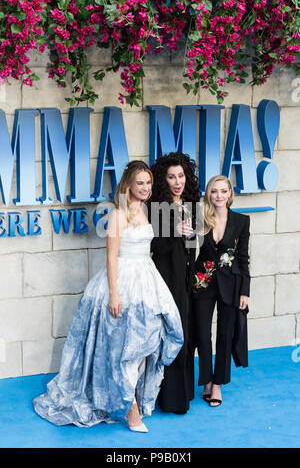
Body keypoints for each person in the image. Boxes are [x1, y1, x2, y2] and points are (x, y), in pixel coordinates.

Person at [32, 160, 184, 432]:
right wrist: (114, 295)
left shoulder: (146, 209)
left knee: (146, 342)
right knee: (123, 347)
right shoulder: (118, 214)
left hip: (145, 279)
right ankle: (132, 410)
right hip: (121, 280)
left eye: (148, 183)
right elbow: (111, 257)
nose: (146, 188)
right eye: (140, 183)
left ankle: (132, 399)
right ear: (128, 185)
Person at [149, 152, 200, 415]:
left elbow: (192, 247)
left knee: (188, 334)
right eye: (171, 177)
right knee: (171, 335)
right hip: (166, 278)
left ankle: (186, 392)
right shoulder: (157, 206)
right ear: (163, 180)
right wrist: (175, 234)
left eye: (181, 175)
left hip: (187, 279)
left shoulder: (191, 204)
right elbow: (155, 246)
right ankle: (170, 398)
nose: (177, 181)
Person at [192, 175, 250, 407]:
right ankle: (205, 378)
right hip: (202, 282)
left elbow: (244, 258)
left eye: (223, 191)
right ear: (208, 194)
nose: (218, 195)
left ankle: (218, 384)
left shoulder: (242, 221)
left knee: (225, 334)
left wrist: (245, 291)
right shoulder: (200, 219)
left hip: (231, 285)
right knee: (202, 335)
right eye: (214, 191)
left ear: (230, 194)